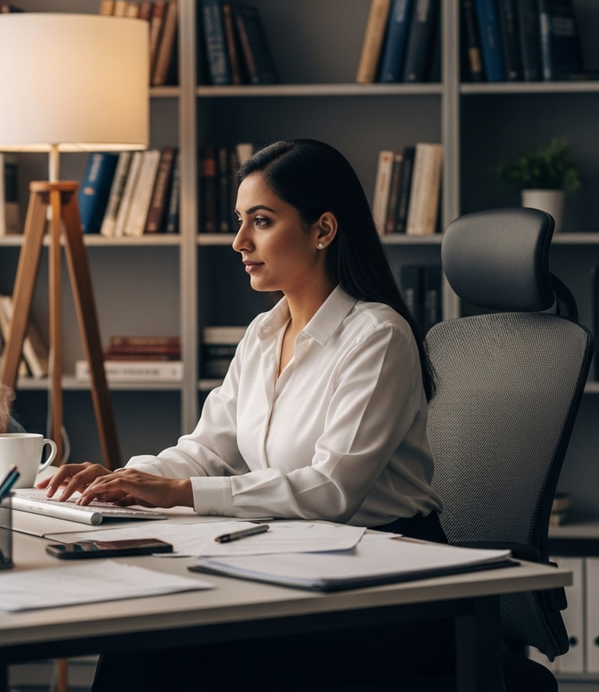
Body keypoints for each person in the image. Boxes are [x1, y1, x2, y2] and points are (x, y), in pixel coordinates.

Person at [45, 138, 450, 691]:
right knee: (144, 640)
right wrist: (123, 480)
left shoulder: (377, 336)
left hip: (388, 587)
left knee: (168, 655)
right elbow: (208, 451)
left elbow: (332, 491)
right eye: (240, 222)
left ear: (323, 230)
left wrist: (181, 492)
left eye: (260, 221)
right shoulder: (263, 334)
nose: (239, 242)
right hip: (297, 565)